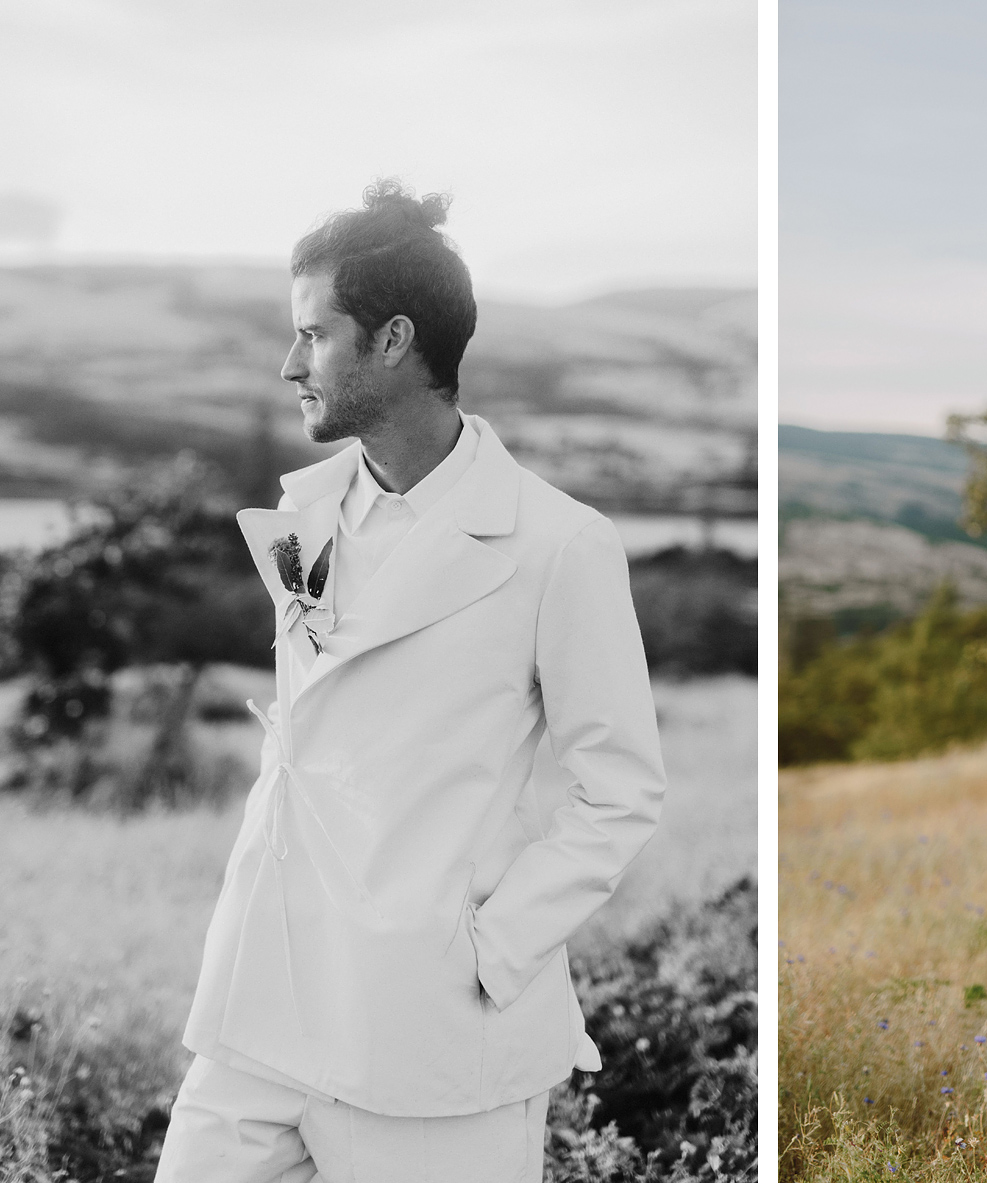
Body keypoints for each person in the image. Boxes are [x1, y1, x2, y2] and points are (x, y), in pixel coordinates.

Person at [155, 180, 666, 1182]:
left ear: (392, 341)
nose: (289, 363)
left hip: (431, 1036)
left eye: (314, 335)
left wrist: (487, 949)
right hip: (258, 1008)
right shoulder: (304, 509)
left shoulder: (559, 544)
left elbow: (623, 790)